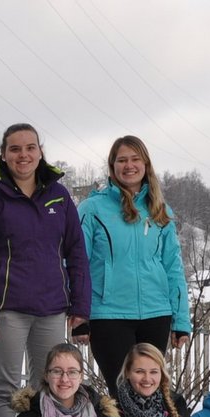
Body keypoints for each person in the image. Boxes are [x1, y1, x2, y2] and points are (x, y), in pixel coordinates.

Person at [0, 123, 90, 417]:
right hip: (7, 309)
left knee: (48, 388)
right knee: (7, 390)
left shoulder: (59, 196)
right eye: (15, 149)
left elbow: (76, 251)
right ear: (4, 155)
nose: (23, 155)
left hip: (51, 307)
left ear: (40, 152)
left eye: (29, 148)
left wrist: (81, 306)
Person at [76, 136, 190, 392]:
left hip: (156, 313)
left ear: (146, 164)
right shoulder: (92, 208)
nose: (129, 165)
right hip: (109, 315)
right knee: (121, 395)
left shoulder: (160, 209)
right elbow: (76, 263)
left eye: (135, 159)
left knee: (151, 393)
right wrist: (79, 315)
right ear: (112, 166)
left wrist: (181, 319)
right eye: (122, 160)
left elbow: (173, 266)